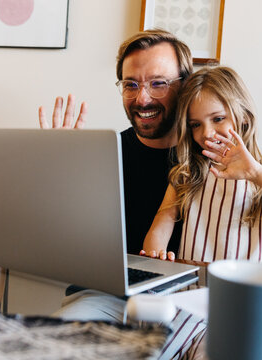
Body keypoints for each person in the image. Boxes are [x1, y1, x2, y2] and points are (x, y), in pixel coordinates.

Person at [39, 30, 206, 359]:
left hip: (187, 302)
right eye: (131, 84)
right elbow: (60, 245)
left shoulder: (211, 159)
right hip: (103, 298)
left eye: (158, 83)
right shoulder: (100, 154)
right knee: (48, 346)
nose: (142, 99)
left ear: (185, 84)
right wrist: (60, 174)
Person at [141, 66, 262, 266]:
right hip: (198, 292)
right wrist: (155, 256)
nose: (207, 133)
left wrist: (255, 172)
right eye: (196, 125)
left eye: (218, 119)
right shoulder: (187, 175)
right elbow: (162, 223)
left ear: (244, 116)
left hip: (258, 293)